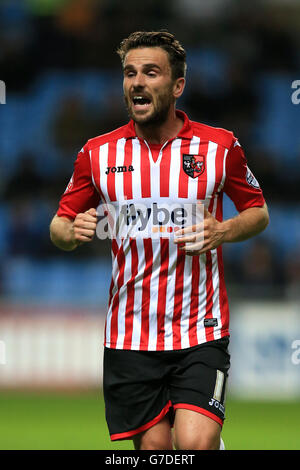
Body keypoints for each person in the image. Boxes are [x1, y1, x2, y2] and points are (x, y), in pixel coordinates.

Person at [50, 30, 269, 450]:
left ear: (177, 85)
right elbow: (58, 225)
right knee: (155, 452)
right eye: (130, 73)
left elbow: (258, 213)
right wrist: (71, 232)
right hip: (130, 335)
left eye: (151, 72)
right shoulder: (97, 154)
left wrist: (223, 230)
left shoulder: (220, 147)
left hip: (200, 329)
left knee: (196, 445)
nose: (138, 82)